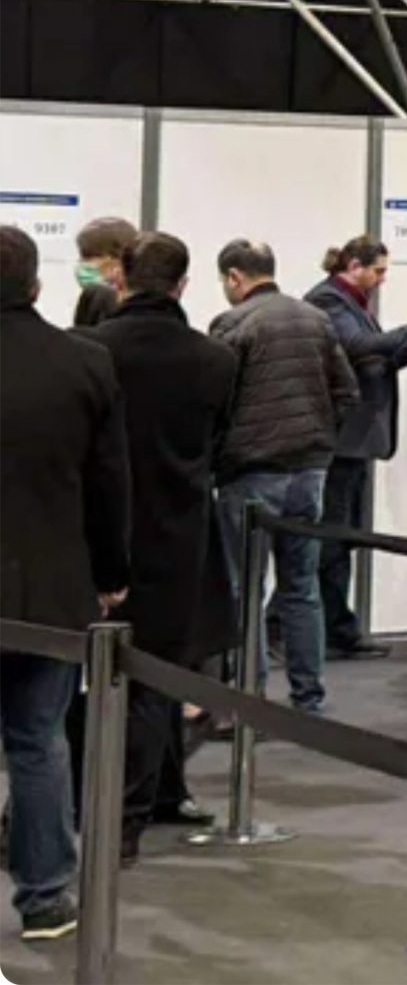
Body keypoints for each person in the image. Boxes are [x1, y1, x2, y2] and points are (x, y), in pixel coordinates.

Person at [75, 233, 236, 863]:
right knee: (158, 678)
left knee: (86, 675)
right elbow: (220, 447)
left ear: (121, 277)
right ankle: (131, 817)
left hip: (98, 533)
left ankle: (86, 807)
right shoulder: (215, 359)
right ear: (183, 284)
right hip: (178, 532)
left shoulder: (89, 350)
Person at [0, 226, 131, 941]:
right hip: (51, 584)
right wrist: (112, 575)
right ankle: (46, 895)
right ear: (36, 284)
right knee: (38, 739)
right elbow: (110, 483)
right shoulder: (84, 362)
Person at [209, 239, 358, 715]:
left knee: (244, 589)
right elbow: (347, 392)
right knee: (302, 587)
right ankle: (308, 698)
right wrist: (319, 440)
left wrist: (220, 453)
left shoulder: (233, 324)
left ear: (235, 277)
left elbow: (216, 402)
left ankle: (248, 700)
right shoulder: (316, 319)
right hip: (310, 473)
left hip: (250, 472)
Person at [306, 237, 407, 661]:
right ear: (354, 265)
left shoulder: (352, 305)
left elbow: (372, 361)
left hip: (354, 441)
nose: (383, 279)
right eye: (378, 270)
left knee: (340, 538)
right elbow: (357, 348)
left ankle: (328, 624)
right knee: (333, 538)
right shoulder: (329, 302)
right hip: (342, 440)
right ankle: (327, 626)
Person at [72, 216, 136, 310]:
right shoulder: (90, 307)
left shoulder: (141, 311)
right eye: (82, 257)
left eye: (90, 255)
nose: (83, 264)